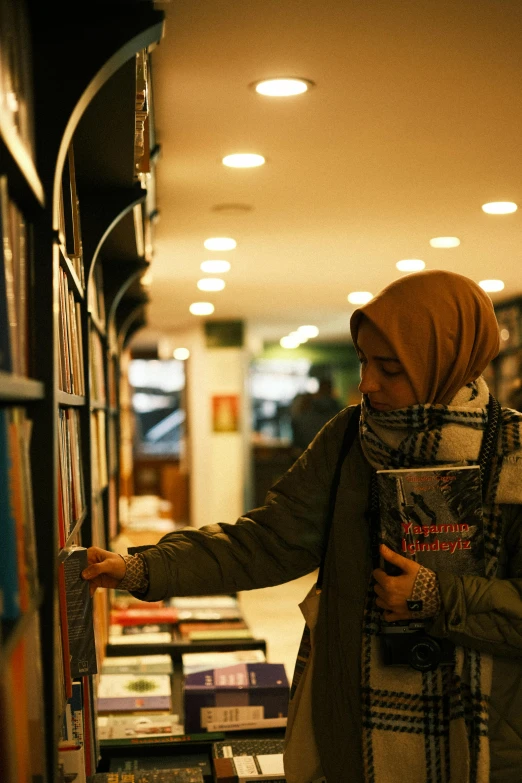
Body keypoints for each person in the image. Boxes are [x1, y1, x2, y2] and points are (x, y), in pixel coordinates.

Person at [82, 269, 522, 783]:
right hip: (354, 723)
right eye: (362, 361)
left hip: (486, 734)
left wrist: (437, 596)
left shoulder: (512, 456)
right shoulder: (347, 441)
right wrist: (143, 567)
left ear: (446, 363)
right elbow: (267, 541)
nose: (367, 384)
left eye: (391, 367)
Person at [290, 378, 343, 453]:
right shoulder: (341, 412)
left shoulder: (303, 417)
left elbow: (297, 444)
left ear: (319, 390)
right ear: (331, 390)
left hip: (311, 457)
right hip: (335, 456)